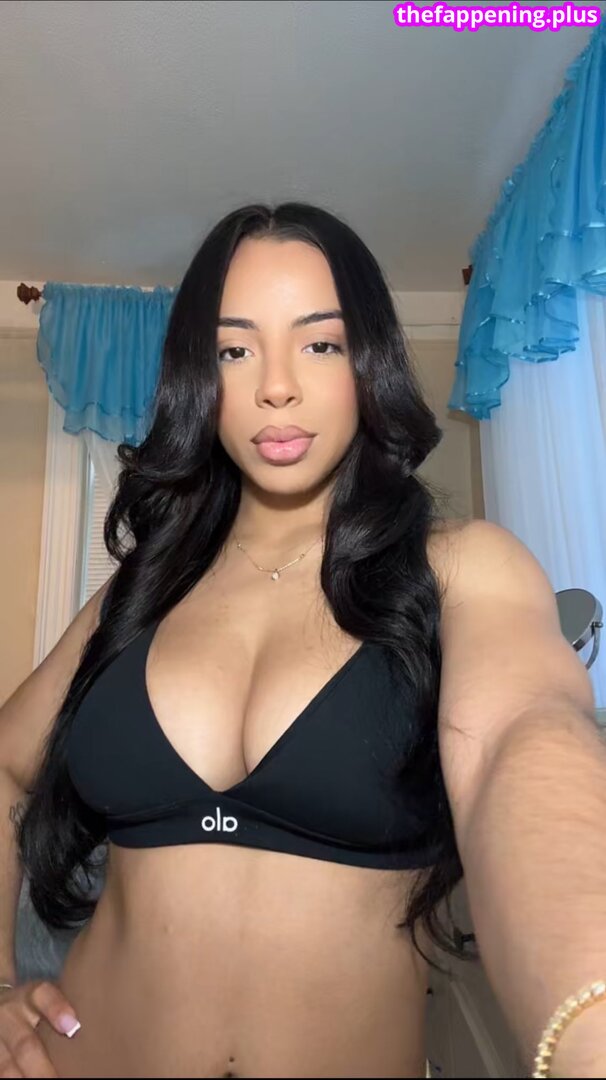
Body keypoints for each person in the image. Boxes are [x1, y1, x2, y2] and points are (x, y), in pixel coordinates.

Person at [0, 202, 604, 1080]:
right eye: (233, 351)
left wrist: (589, 1024)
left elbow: (525, 738)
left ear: (368, 362)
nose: (275, 386)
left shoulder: (463, 568)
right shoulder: (137, 595)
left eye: (319, 343)